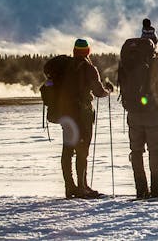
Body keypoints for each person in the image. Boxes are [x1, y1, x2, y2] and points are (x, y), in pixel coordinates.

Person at [124, 19, 158, 199]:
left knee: (136, 150)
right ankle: (157, 188)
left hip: (133, 112)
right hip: (154, 112)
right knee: (155, 150)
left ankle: (141, 189)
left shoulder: (129, 57)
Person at [61, 38, 112, 199]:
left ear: (74, 50)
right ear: (87, 52)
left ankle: (70, 187)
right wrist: (108, 90)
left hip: (66, 114)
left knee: (68, 151)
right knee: (82, 151)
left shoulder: (65, 67)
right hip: (82, 115)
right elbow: (98, 92)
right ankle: (82, 187)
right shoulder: (89, 68)